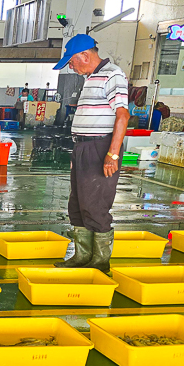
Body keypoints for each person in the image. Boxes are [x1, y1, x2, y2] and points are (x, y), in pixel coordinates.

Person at [52, 34, 129, 273]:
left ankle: (100, 261)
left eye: (72, 62)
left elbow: (122, 116)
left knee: (95, 205)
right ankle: (82, 256)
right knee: (77, 204)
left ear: (85, 55)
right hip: (83, 147)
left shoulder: (113, 74)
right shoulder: (92, 77)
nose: (71, 67)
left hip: (100, 147)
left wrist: (112, 154)